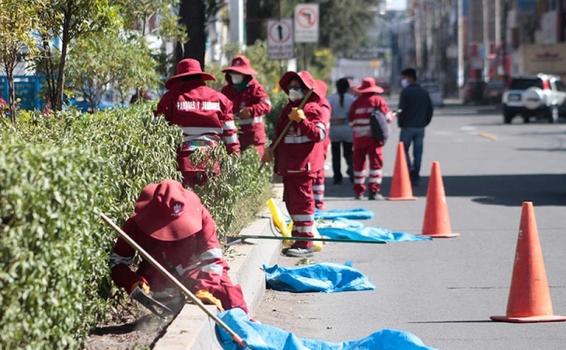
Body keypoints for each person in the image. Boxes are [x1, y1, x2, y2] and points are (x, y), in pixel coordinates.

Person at [110, 180, 248, 314]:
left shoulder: (201, 214)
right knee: (163, 296)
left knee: (229, 296)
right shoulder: (136, 224)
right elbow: (117, 262)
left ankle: (243, 323)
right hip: (157, 274)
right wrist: (132, 282)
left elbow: (213, 258)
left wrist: (206, 287)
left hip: (196, 270)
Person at [262, 71, 326, 258]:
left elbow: (319, 135)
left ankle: (305, 241)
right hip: (289, 166)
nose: (293, 90)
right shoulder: (288, 110)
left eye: (297, 87)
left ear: (306, 89)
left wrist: (303, 121)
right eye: (290, 87)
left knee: (302, 204)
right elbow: (281, 135)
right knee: (292, 204)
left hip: (302, 166)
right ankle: (298, 237)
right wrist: (271, 150)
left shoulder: (313, 108)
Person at [155, 58, 240, 188]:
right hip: (212, 162)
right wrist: (234, 155)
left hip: (183, 164)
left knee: (186, 203)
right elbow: (230, 133)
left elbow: (157, 130)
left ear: (180, 78)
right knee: (208, 204)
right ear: (201, 76)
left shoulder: (171, 98)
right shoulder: (221, 100)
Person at [349, 77, 393, 200]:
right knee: (375, 165)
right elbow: (388, 118)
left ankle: (359, 192)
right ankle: (374, 192)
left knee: (359, 166)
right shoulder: (378, 100)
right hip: (373, 139)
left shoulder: (356, 103)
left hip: (358, 139)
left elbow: (351, 121)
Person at [221, 55, 272, 157]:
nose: (235, 75)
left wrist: (251, 111)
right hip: (233, 139)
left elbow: (267, 105)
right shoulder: (227, 91)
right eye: (233, 73)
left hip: (253, 140)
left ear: (245, 74)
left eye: (239, 73)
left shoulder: (255, 88)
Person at [398, 68, 433, 186]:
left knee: (403, 150)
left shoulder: (406, 92)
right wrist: (425, 122)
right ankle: (416, 174)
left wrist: (400, 123)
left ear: (410, 78)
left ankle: (409, 169)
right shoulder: (424, 92)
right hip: (420, 127)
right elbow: (430, 110)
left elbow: (401, 110)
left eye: (404, 78)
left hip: (407, 127)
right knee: (418, 153)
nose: (402, 80)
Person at [327, 78, 355, 184]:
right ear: (347, 88)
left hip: (334, 130)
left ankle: (337, 177)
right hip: (348, 130)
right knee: (349, 153)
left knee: (336, 155)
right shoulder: (352, 99)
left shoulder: (330, 99)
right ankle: (352, 171)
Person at [312, 79, 331, 210]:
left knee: (318, 172)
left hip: (320, 144)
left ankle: (318, 203)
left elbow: (320, 128)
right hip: (315, 143)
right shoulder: (316, 104)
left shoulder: (323, 106)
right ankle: (315, 202)